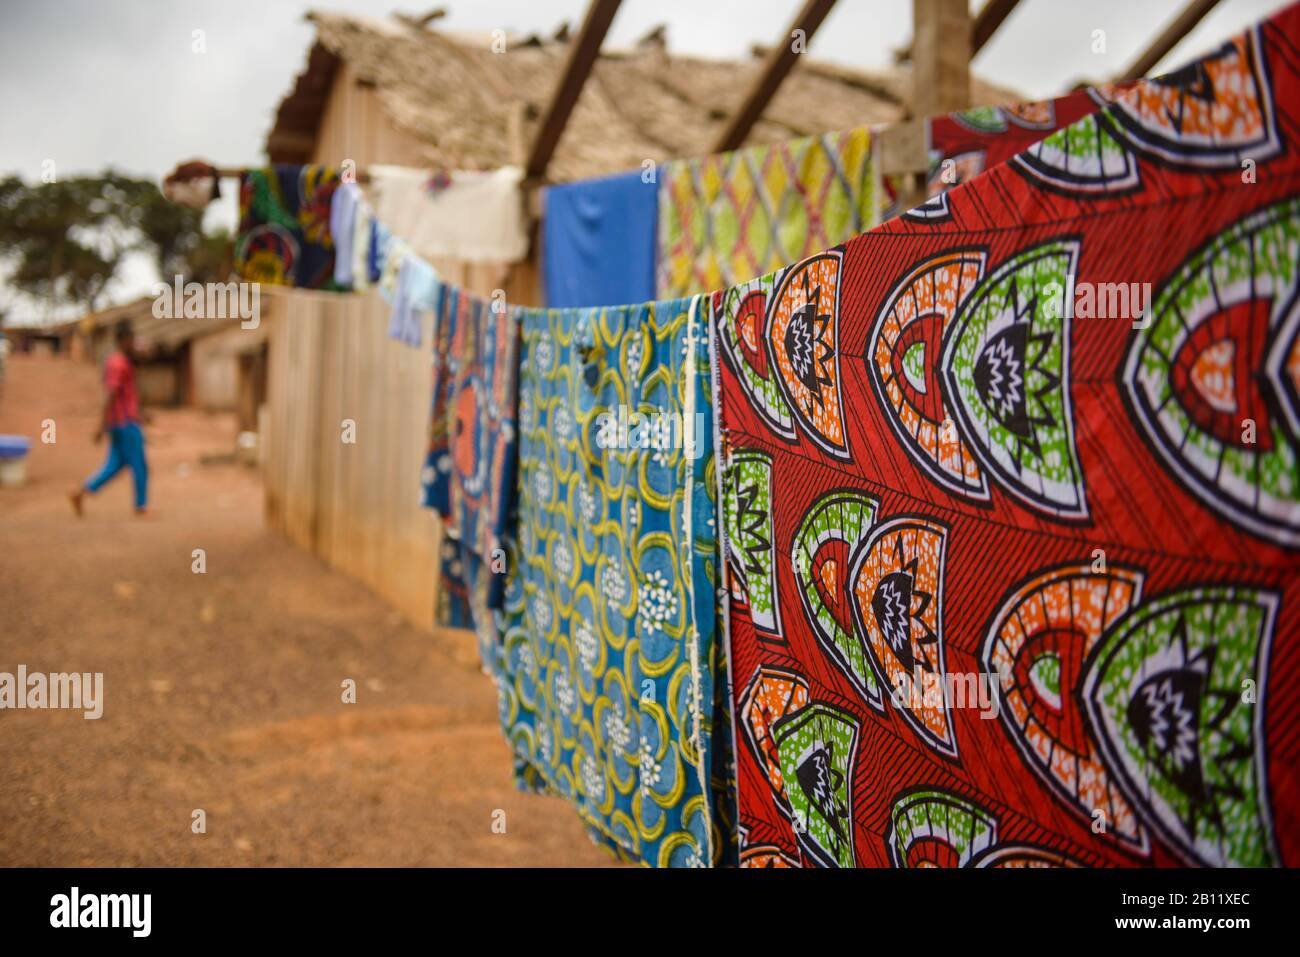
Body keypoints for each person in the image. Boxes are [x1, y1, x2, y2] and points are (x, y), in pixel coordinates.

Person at [70, 322, 148, 516]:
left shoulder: (115, 361)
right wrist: (101, 425)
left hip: (121, 421)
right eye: (131, 340)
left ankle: (81, 491)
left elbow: (123, 394)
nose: (133, 344)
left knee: (115, 464)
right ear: (124, 340)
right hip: (124, 423)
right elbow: (111, 395)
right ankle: (141, 506)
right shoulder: (119, 363)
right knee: (139, 464)